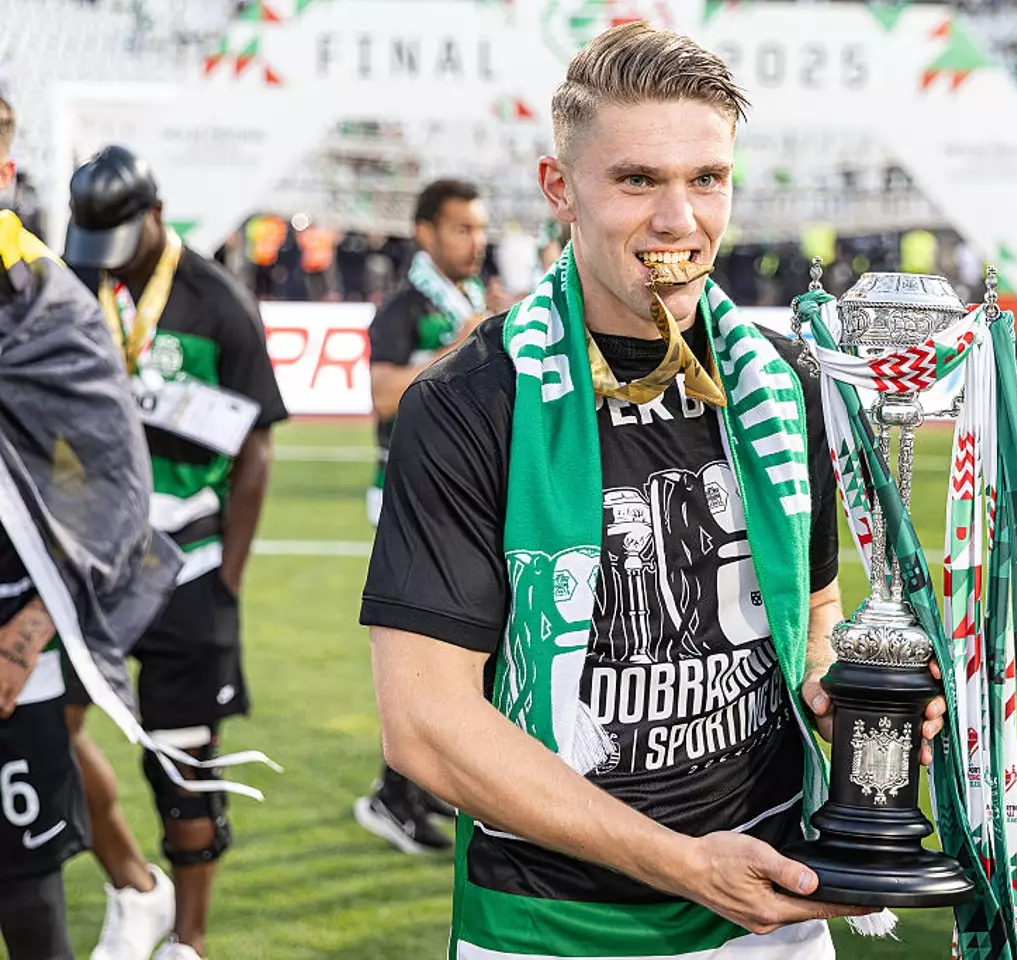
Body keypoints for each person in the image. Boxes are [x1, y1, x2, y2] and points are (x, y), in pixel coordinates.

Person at [363, 22, 946, 959]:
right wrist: (682, 863)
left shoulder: (785, 380)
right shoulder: (472, 401)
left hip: (777, 903)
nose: (680, 220)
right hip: (553, 924)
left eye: (706, 180)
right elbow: (427, 727)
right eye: (638, 181)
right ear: (562, 190)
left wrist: (855, 697)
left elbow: (818, 608)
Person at [63, 145, 290, 960]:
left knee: (185, 767)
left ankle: (188, 944)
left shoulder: (218, 302)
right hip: (85, 565)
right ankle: (135, 887)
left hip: (186, 565)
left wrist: (226, 578)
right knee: (42, 731)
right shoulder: (72, 281)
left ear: (155, 214)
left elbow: (257, 451)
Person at [0, 94, 182, 960]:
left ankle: (146, 895)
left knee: (25, 894)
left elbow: (113, 489)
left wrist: (26, 631)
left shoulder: (42, 299)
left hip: (13, 644)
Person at [354, 178, 494, 854]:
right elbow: (382, 396)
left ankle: (413, 791)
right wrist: (463, 345)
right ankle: (391, 795)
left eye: (480, 228)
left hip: (464, 497)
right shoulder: (405, 306)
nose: (477, 241)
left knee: (464, 652)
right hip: (410, 498)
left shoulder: (467, 299)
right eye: (462, 228)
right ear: (425, 234)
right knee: (422, 651)